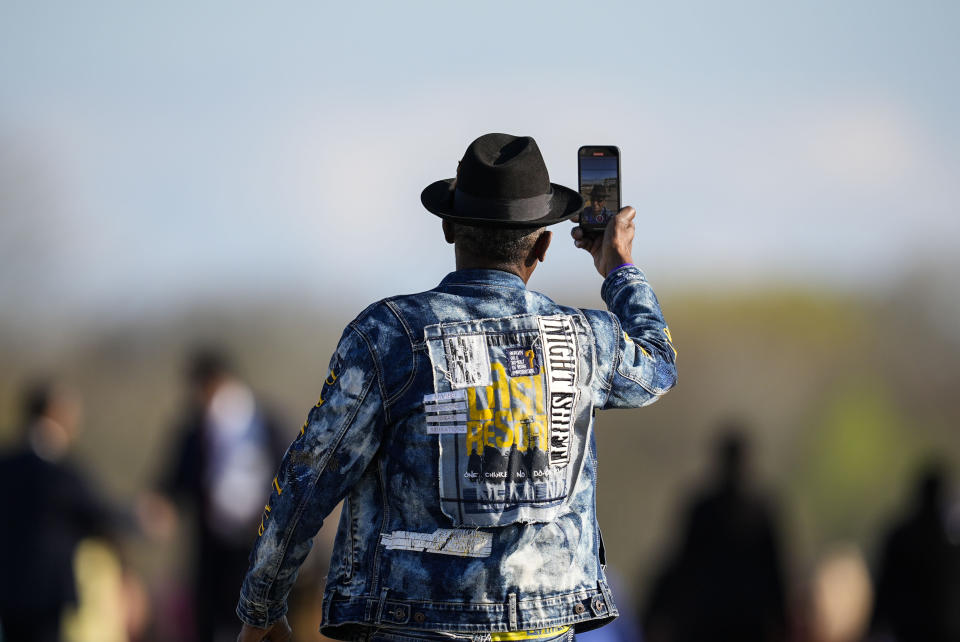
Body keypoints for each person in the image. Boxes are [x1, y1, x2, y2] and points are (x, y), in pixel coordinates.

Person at [235, 133, 678, 642]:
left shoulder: (389, 335)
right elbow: (659, 365)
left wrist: (262, 607)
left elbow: (309, 479)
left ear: (448, 228)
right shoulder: (588, 341)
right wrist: (617, 265)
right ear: (543, 244)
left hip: (410, 623)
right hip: (545, 626)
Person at [149, 348, 288, 642]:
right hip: (211, 543)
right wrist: (162, 505)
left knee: (260, 620)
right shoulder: (195, 429)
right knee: (211, 620)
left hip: (260, 543)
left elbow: (293, 474)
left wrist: (272, 515)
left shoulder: (265, 421)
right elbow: (174, 480)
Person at [641, 427, 788, 642]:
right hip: (715, 620)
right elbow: (684, 561)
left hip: (733, 620)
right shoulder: (709, 510)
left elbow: (774, 571)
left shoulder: (756, 512)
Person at [0, 381, 120, 642]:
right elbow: (98, 514)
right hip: (46, 595)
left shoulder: (6, 465)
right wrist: (140, 520)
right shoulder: (59, 472)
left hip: (7, 590)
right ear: (54, 411)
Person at [869, 462, 960, 642]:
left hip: (907, 628)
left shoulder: (900, 537)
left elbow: (884, 583)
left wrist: (874, 624)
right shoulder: (948, 544)